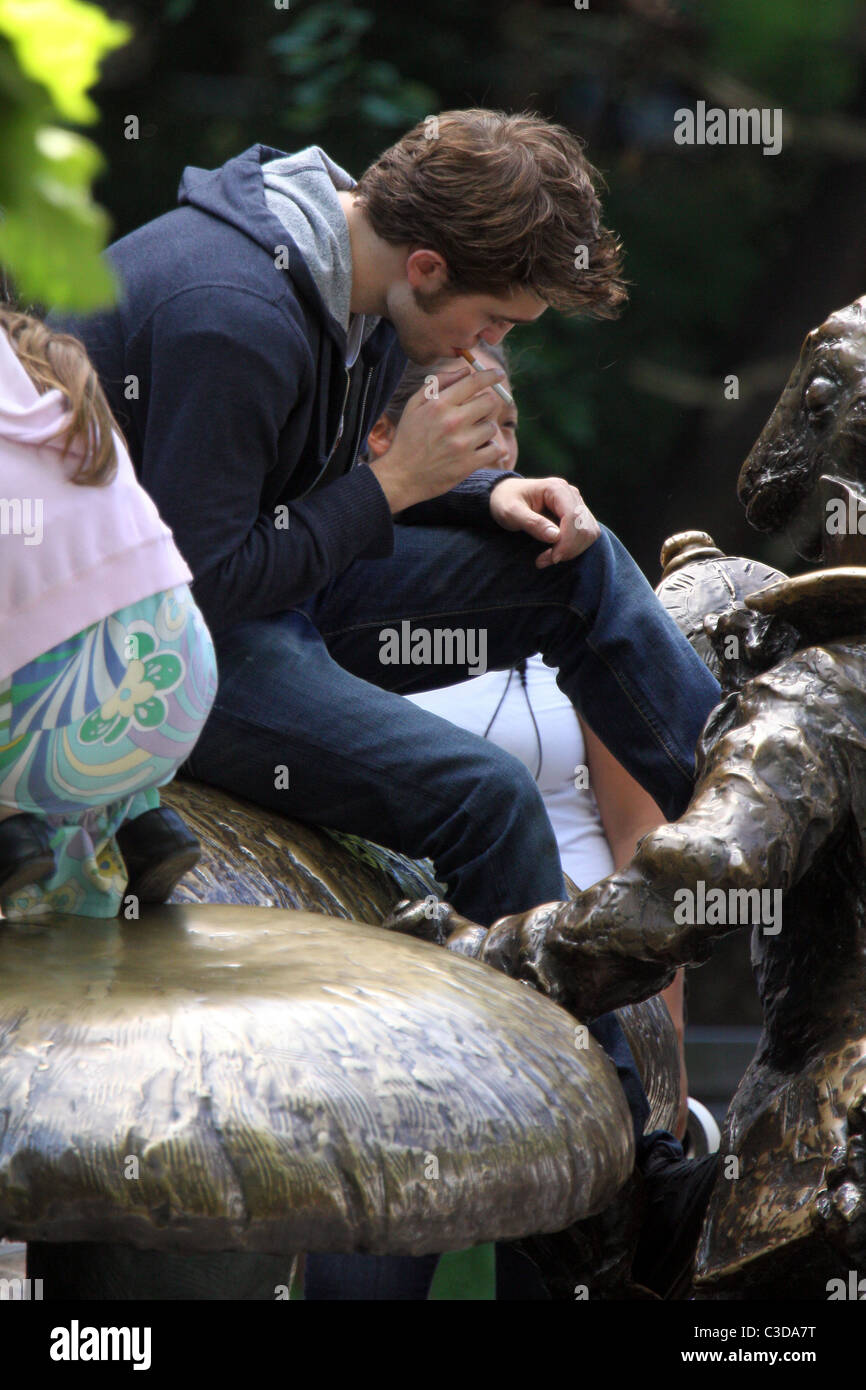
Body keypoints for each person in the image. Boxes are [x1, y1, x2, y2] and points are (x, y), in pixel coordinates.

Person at [53, 109, 722, 1288]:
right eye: (494, 319)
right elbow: (199, 595)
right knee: (484, 796)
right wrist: (398, 480)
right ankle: (620, 1163)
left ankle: (743, 809)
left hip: (270, 591)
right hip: (140, 661)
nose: (488, 346)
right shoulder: (230, 311)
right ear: (424, 266)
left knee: (575, 560)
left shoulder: (343, 276)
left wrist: (477, 502)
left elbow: (306, 510)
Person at [303, 342, 693, 1301]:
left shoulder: (568, 584)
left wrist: (665, 1075)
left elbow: (651, 845)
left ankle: (643, 1163)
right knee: (363, 1281)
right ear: (385, 440)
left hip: (578, 988)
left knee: (572, 1269)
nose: (504, 449)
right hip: (399, 997)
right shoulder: (341, 616)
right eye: (476, 425)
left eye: (510, 425)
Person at [0, 307, 217, 919]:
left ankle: (13, 834)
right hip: (182, 682)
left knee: (46, 676)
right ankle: (145, 825)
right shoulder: (60, 383)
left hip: (40, 743)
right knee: (93, 647)